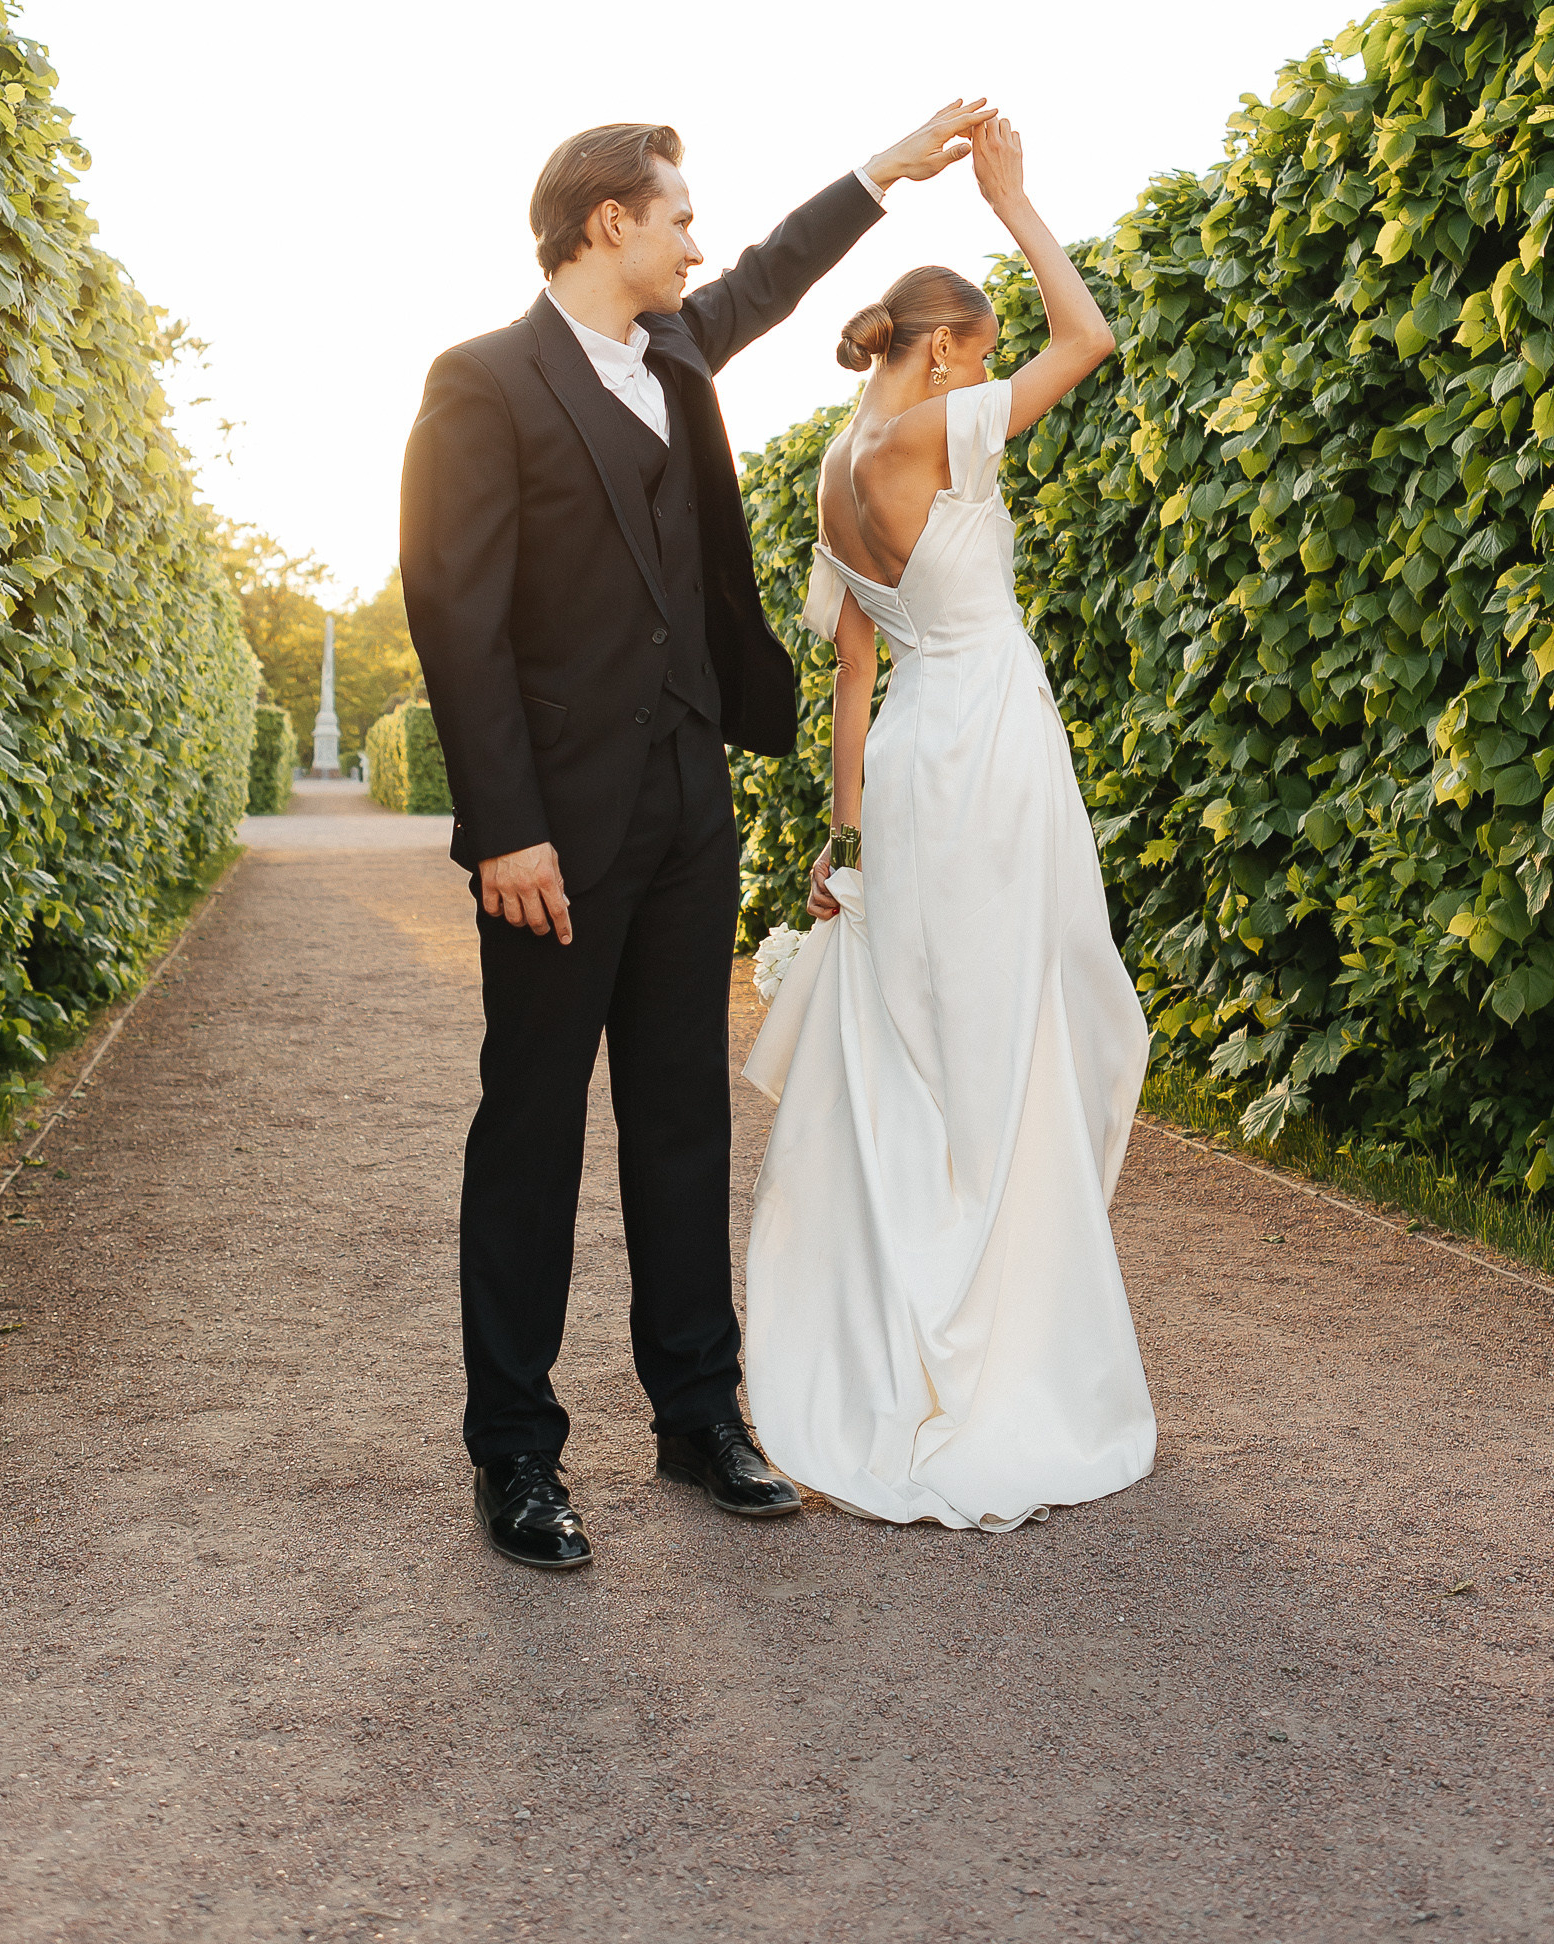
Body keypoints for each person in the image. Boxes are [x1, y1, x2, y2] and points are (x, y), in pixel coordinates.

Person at [400, 102, 993, 1572]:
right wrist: (505, 831)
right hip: (554, 833)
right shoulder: (481, 384)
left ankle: (694, 1414)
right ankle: (518, 1458)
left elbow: (773, 278)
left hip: (685, 802)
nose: (696, 241)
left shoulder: (673, 352)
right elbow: (454, 619)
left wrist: (885, 172)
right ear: (611, 223)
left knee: (683, 1115)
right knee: (530, 1133)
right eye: (676, 215)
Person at [742, 114, 1156, 1530]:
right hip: (988, 747)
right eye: (978, 351)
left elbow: (853, 679)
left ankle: (920, 1309)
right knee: (1013, 1022)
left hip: (916, 758)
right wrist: (1018, 205)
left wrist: (846, 842)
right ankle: (991, 1344)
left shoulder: (830, 469)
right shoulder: (932, 425)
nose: (990, 372)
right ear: (937, 352)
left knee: (924, 1028)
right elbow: (1087, 339)